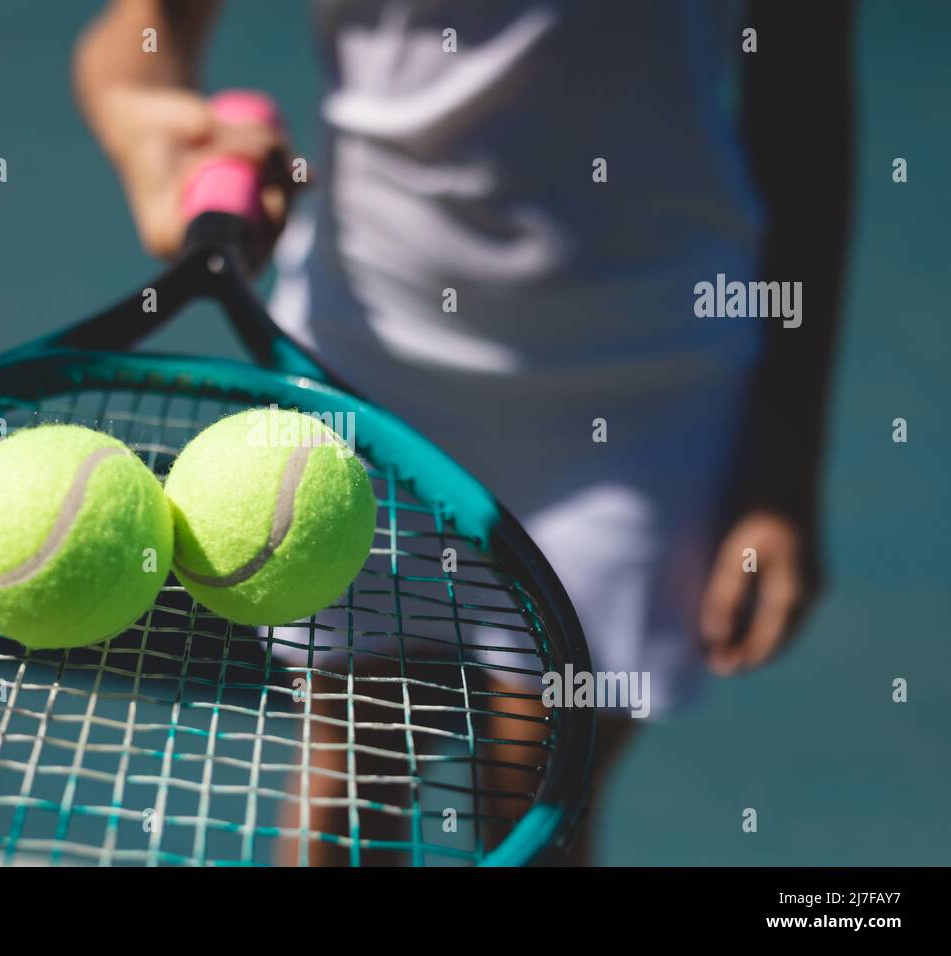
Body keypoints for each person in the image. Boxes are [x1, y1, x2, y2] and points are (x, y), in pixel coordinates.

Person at [74, 0, 853, 865]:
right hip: (365, 369)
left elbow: (805, 98)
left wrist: (783, 472)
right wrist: (140, 111)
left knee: (540, 817)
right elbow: (144, 35)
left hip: (645, 401)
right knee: (348, 787)